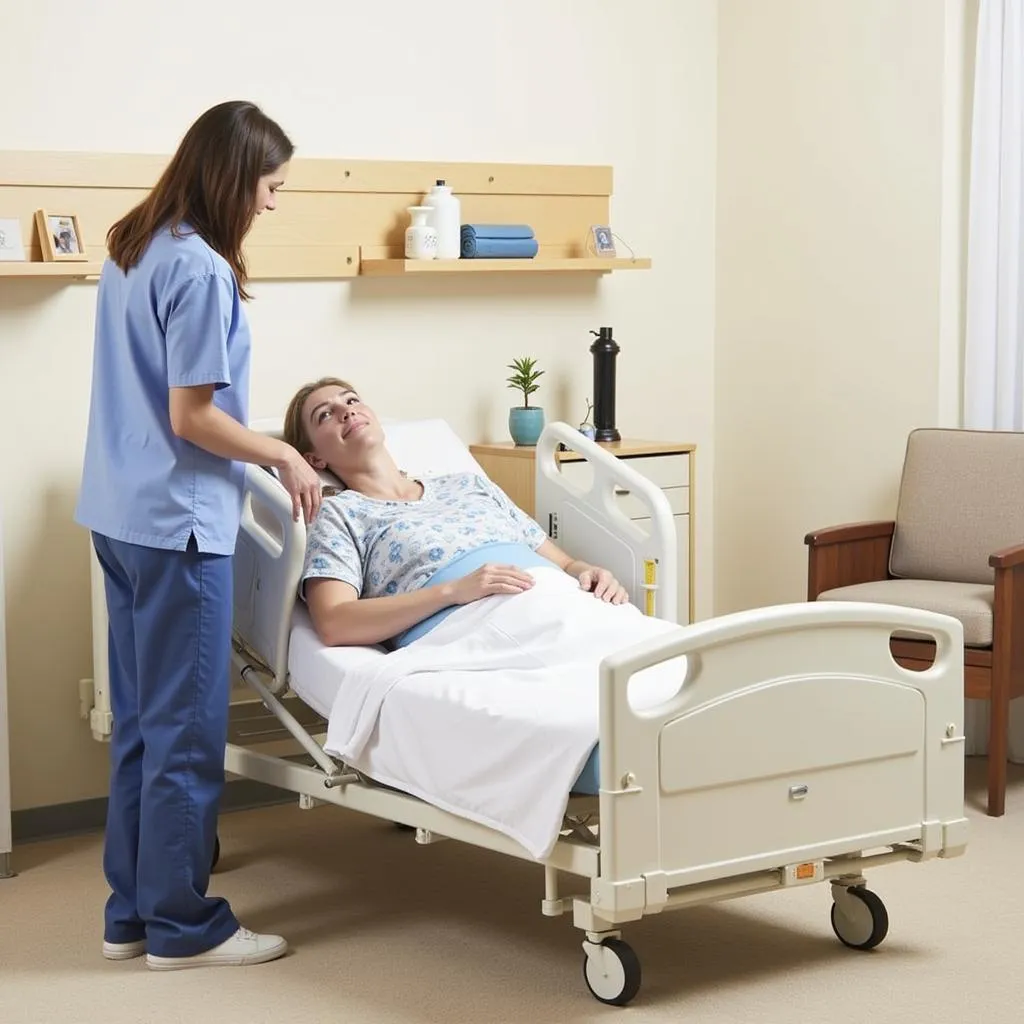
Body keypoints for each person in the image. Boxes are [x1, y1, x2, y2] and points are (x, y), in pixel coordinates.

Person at [74, 100, 323, 972]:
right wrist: (283, 455)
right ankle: (185, 927)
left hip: (119, 516)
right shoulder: (202, 270)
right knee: (184, 733)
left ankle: (131, 914)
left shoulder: (131, 250)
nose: (271, 205)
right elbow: (194, 418)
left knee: (143, 725)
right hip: (179, 528)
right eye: (269, 186)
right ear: (234, 177)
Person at [281, 377, 630, 651]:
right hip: (476, 628)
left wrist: (591, 572)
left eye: (352, 399)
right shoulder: (340, 514)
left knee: (650, 660)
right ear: (313, 459)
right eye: (325, 414)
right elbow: (334, 621)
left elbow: (566, 564)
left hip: (560, 603)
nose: (346, 411)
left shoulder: (468, 484)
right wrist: (454, 591)